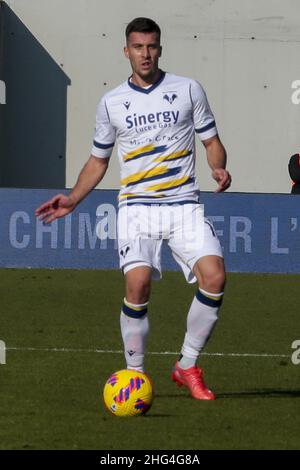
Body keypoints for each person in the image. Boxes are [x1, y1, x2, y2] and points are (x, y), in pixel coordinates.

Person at [36, 17, 231, 400]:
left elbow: (211, 142)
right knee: (138, 284)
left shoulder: (189, 89)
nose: (146, 54)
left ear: (160, 49)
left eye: (152, 46)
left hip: (183, 204)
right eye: (138, 47)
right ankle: (136, 377)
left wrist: (218, 166)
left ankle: (187, 365)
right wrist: (73, 198)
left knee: (215, 277)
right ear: (126, 51)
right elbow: (98, 161)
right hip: (137, 208)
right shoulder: (111, 103)